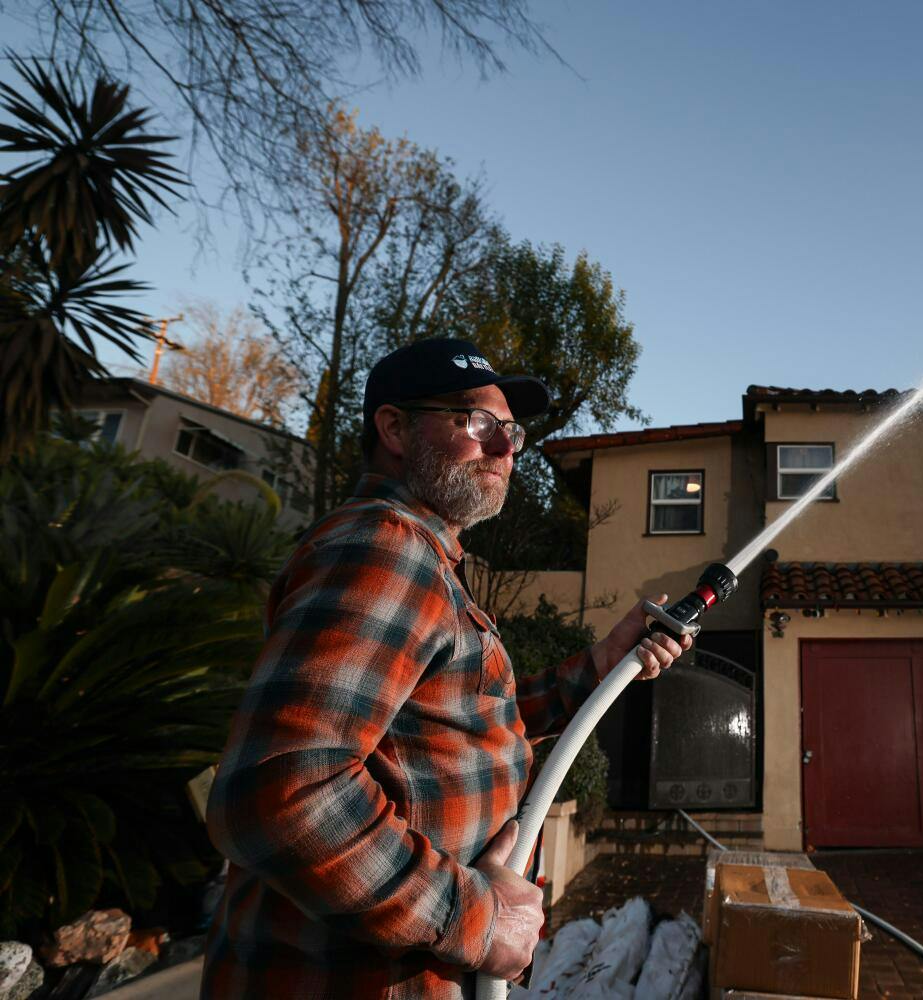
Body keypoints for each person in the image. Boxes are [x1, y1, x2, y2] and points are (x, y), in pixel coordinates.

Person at [201, 338, 690, 998]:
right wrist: (481, 923)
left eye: (511, 430)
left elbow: (451, 731)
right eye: (477, 422)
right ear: (395, 428)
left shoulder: (424, 560)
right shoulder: (385, 546)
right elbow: (279, 794)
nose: (506, 447)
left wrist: (603, 664)